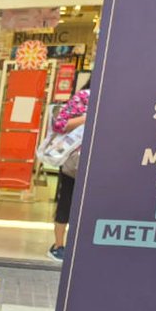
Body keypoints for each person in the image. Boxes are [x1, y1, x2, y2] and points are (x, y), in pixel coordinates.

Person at [49, 81, 90, 261]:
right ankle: (58, 245)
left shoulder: (116, 100)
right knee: (67, 200)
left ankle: (80, 246)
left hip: (101, 162)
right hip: (74, 160)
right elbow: (59, 124)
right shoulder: (84, 97)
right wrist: (88, 117)